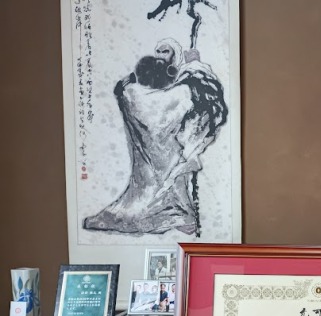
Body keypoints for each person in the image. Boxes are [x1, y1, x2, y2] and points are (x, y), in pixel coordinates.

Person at [83, 38, 228, 236]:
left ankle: (181, 217)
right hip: (152, 154)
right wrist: (195, 65)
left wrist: (190, 68)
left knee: (176, 183)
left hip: (173, 148)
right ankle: (175, 216)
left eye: (165, 51)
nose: (161, 56)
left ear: (175, 54)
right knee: (155, 188)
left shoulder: (176, 84)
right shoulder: (152, 89)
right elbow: (186, 94)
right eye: (158, 51)